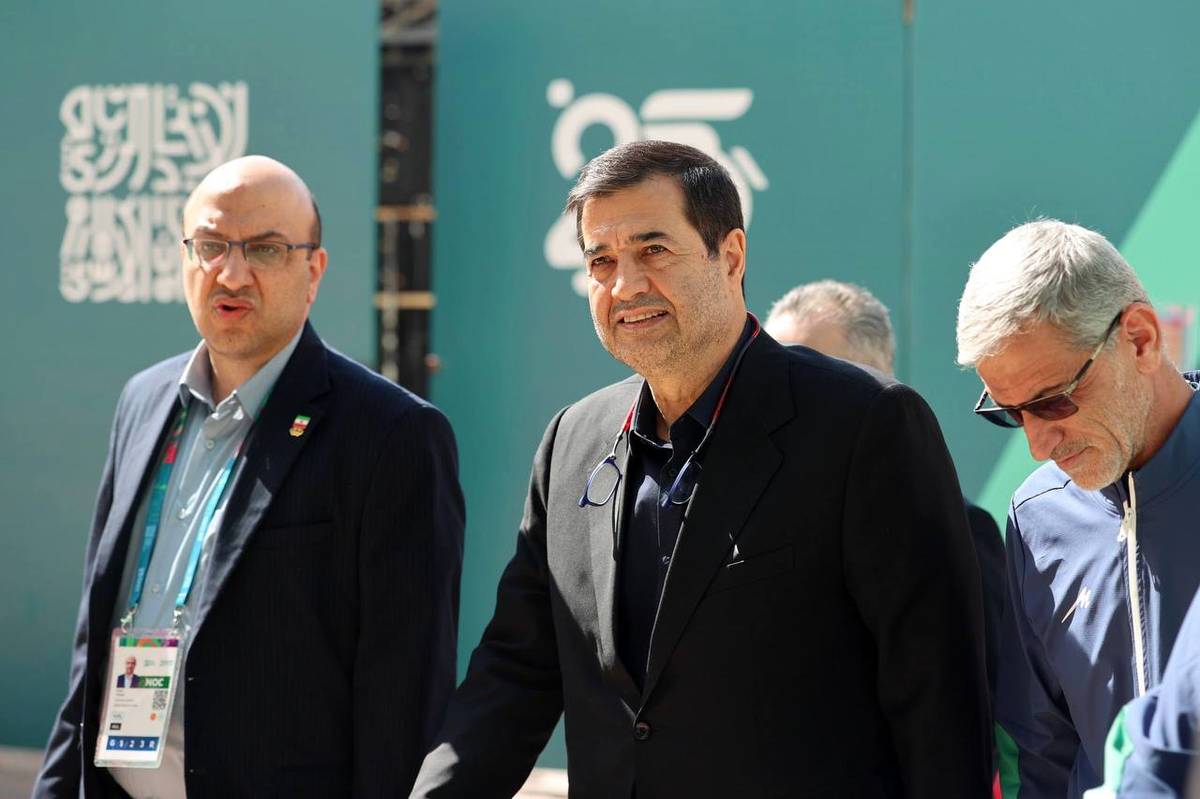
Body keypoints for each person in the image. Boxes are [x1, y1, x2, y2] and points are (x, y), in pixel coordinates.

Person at [411, 141, 992, 798]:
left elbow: (938, 702)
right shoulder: (571, 443)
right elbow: (514, 678)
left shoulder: (865, 425)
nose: (625, 285)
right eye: (601, 261)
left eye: (654, 250)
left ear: (732, 256)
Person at [34, 156, 465, 798]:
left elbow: (404, 700)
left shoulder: (391, 435)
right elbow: (90, 657)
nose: (231, 274)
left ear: (313, 270)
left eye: (265, 249)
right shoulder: (143, 401)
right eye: (211, 246)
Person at [955, 219, 1200, 799]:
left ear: (1140, 339)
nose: (1038, 445)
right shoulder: (1037, 518)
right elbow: (1043, 758)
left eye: (1054, 401)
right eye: (1011, 413)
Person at [765, 278, 1007, 742]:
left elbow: (976, 714)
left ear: (877, 385)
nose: (787, 403)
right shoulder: (741, 528)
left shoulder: (956, 529)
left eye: (812, 378)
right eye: (776, 380)